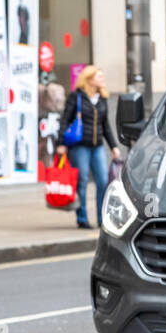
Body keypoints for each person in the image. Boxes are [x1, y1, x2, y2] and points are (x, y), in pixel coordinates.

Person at [56, 64, 121, 229]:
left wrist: (113, 146)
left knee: (102, 181)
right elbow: (64, 121)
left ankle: (101, 218)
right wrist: (61, 144)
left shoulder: (102, 98)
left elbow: (105, 125)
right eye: (99, 77)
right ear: (89, 79)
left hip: (97, 146)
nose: (103, 80)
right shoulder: (76, 97)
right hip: (79, 147)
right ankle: (82, 218)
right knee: (82, 182)